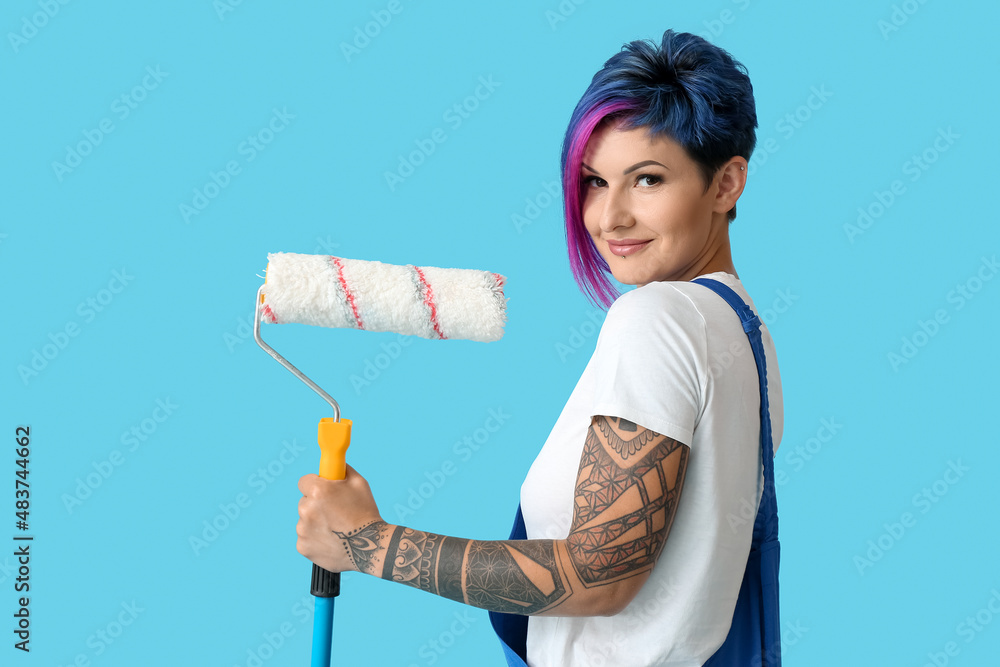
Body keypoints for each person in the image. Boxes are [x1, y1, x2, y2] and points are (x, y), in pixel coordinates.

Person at [296, 29, 783, 666]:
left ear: (725, 184)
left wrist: (368, 544)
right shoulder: (746, 333)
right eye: (593, 181)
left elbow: (598, 574)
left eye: (647, 180)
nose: (610, 218)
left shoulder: (657, 319)